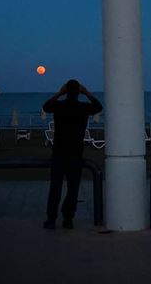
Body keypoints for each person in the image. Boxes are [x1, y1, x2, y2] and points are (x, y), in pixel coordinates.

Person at [42, 80, 103, 230]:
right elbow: (98, 107)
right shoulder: (82, 108)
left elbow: (46, 106)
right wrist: (87, 93)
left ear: (66, 91)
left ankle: (51, 219)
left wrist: (59, 93)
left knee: (55, 187)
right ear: (79, 92)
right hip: (75, 154)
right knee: (73, 188)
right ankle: (68, 218)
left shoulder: (59, 106)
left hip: (59, 153)